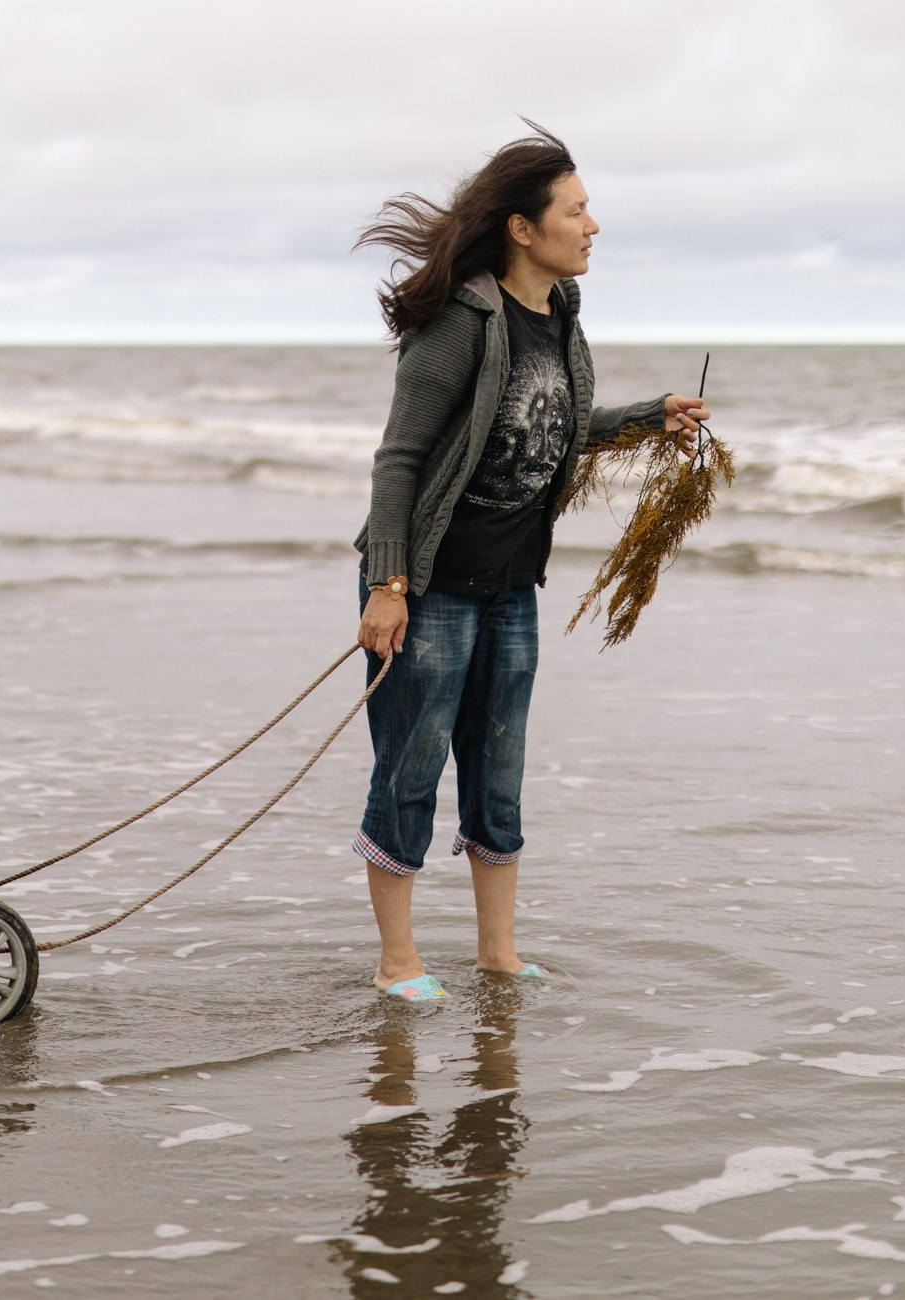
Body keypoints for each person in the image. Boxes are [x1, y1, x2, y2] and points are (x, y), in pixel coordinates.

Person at [350, 122, 710, 1002]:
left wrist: (643, 417)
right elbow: (399, 459)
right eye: (577, 211)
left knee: (498, 770)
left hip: (511, 589)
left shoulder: (563, 318)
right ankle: (398, 961)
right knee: (410, 770)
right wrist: (390, 585)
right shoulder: (460, 321)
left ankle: (497, 953)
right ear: (522, 226)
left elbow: (555, 428)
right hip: (428, 589)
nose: (593, 226)